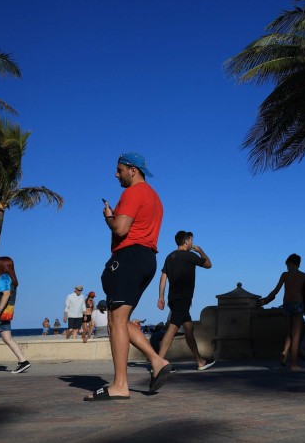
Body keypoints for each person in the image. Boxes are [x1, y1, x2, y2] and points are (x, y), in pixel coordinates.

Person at [85, 152, 169, 402]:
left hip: (129, 257)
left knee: (116, 320)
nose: (116, 174)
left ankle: (120, 384)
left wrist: (109, 216)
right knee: (118, 318)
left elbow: (121, 228)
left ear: (133, 170)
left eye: (119, 169)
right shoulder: (155, 197)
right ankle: (157, 360)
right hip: (146, 259)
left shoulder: (133, 192)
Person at [156, 230, 215, 371]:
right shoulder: (190, 256)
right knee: (172, 329)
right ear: (187, 241)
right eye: (191, 241)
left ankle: (200, 361)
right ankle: (158, 363)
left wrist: (161, 296)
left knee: (189, 329)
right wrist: (200, 250)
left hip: (174, 298)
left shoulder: (170, 257)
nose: (192, 243)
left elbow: (163, 278)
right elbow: (208, 264)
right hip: (182, 299)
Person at [259, 254, 305, 370]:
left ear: (291, 263)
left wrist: (265, 301)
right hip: (298, 305)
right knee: (296, 335)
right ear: (298, 264)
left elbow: (276, 290)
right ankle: (293, 363)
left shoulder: (285, 275)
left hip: (287, 305)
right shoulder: (303, 276)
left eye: (287, 265)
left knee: (290, 331)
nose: (287, 267)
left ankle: (284, 353)